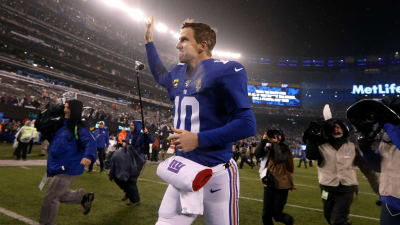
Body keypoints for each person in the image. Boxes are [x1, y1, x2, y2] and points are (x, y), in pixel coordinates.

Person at [145, 16, 256, 225]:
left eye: (184, 40)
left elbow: (247, 123)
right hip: (184, 171)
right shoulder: (178, 72)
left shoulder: (226, 70)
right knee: (166, 220)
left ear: (202, 46)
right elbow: (160, 75)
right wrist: (149, 43)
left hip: (216, 172)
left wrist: (198, 139)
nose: (178, 44)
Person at [303, 119, 379, 225]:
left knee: (337, 220)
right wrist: (311, 136)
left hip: (346, 189)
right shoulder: (321, 146)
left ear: (344, 130)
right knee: (328, 216)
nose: (336, 129)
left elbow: (366, 168)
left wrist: (378, 189)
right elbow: (310, 155)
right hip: (326, 188)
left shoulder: (352, 147)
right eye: (333, 127)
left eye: (338, 127)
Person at [38, 100, 97, 225]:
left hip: (70, 166)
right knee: (59, 195)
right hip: (58, 165)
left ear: (73, 110)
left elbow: (90, 142)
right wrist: (49, 111)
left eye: (67, 107)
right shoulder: (61, 124)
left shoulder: (79, 127)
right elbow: (41, 124)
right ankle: (83, 198)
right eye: (64, 107)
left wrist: (89, 156)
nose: (64, 110)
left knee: (50, 198)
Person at [347, 96, 400, 225]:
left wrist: (388, 124)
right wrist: (366, 150)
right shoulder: (388, 136)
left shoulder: (391, 131)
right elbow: (378, 166)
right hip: (391, 199)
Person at [255, 130, 295, 225]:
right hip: (269, 183)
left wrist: (276, 143)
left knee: (277, 215)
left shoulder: (286, 149)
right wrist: (263, 141)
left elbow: (278, 159)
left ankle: (290, 221)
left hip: (282, 186)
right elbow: (257, 154)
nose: (275, 137)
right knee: (265, 215)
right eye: (273, 135)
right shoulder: (268, 146)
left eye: (278, 135)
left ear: (282, 137)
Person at [118, 120, 153, 206]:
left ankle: (135, 200)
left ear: (137, 126)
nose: (130, 126)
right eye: (130, 125)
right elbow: (126, 143)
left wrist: (147, 133)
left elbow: (151, 140)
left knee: (132, 180)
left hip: (138, 160)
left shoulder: (142, 135)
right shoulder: (129, 134)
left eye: (132, 125)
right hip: (129, 158)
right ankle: (128, 193)